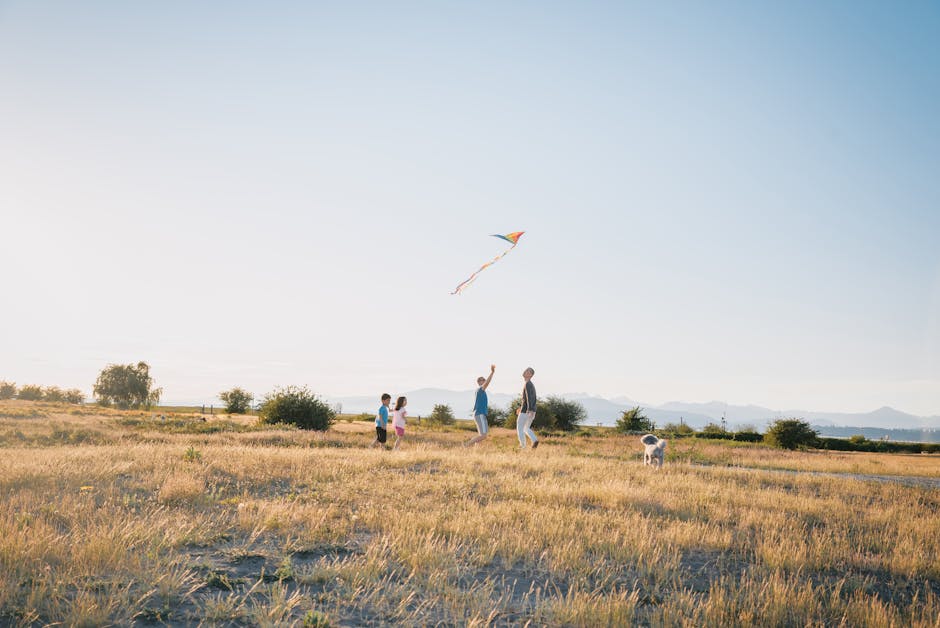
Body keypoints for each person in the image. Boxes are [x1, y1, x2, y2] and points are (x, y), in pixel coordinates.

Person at [466, 364, 495, 447]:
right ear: (479, 382)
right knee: (483, 435)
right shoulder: (480, 389)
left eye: (484, 380)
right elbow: (487, 383)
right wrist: (492, 372)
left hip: (478, 414)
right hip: (480, 414)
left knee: (480, 435)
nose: (484, 381)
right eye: (483, 380)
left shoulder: (479, 391)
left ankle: (476, 451)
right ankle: (466, 445)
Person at [517, 367, 538, 449]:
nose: (524, 371)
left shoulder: (528, 384)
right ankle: (535, 440)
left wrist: (529, 409)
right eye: (525, 370)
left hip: (526, 411)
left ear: (530, 375)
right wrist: (521, 407)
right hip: (530, 410)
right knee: (526, 428)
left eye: (527, 371)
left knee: (520, 429)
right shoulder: (530, 384)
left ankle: (522, 447)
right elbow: (529, 398)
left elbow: (530, 398)